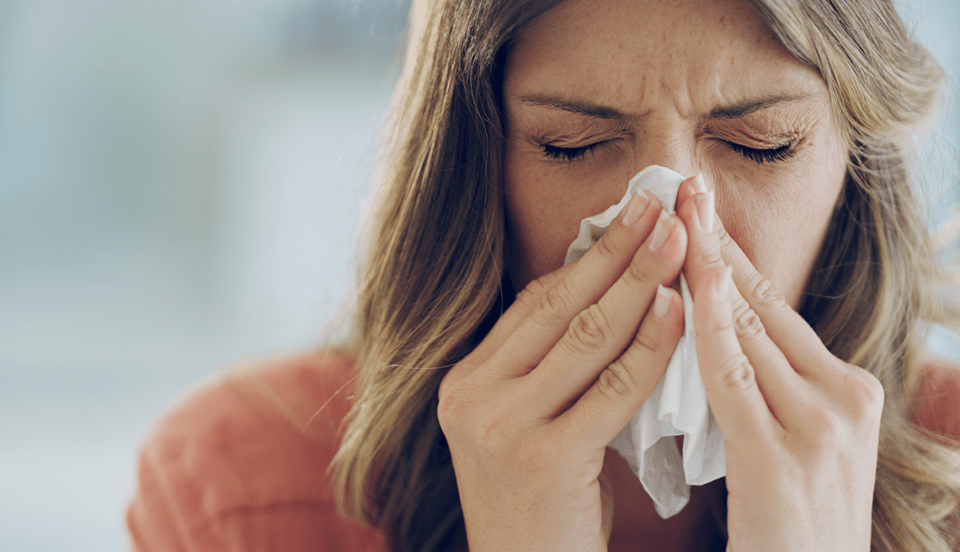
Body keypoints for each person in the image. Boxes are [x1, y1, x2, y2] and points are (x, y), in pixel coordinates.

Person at [127, 0, 960, 550]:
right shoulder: (244, 488)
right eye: (572, 145)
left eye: (762, 145)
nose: (673, 232)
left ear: (855, 164)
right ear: (473, 167)